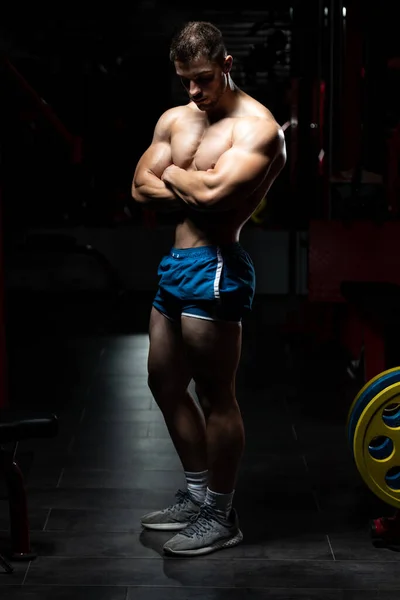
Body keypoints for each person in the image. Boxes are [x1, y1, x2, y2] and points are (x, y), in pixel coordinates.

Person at [131, 20, 286, 557]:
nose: (193, 92)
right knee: (162, 382)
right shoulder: (176, 118)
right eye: (184, 81)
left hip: (217, 267)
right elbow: (138, 185)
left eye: (202, 78)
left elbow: (218, 196)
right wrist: (188, 181)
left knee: (215, 395)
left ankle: (220, 513)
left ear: (226, 64)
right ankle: (197, 494)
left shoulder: (258, 129)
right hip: (175, 264)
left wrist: (173, 174)